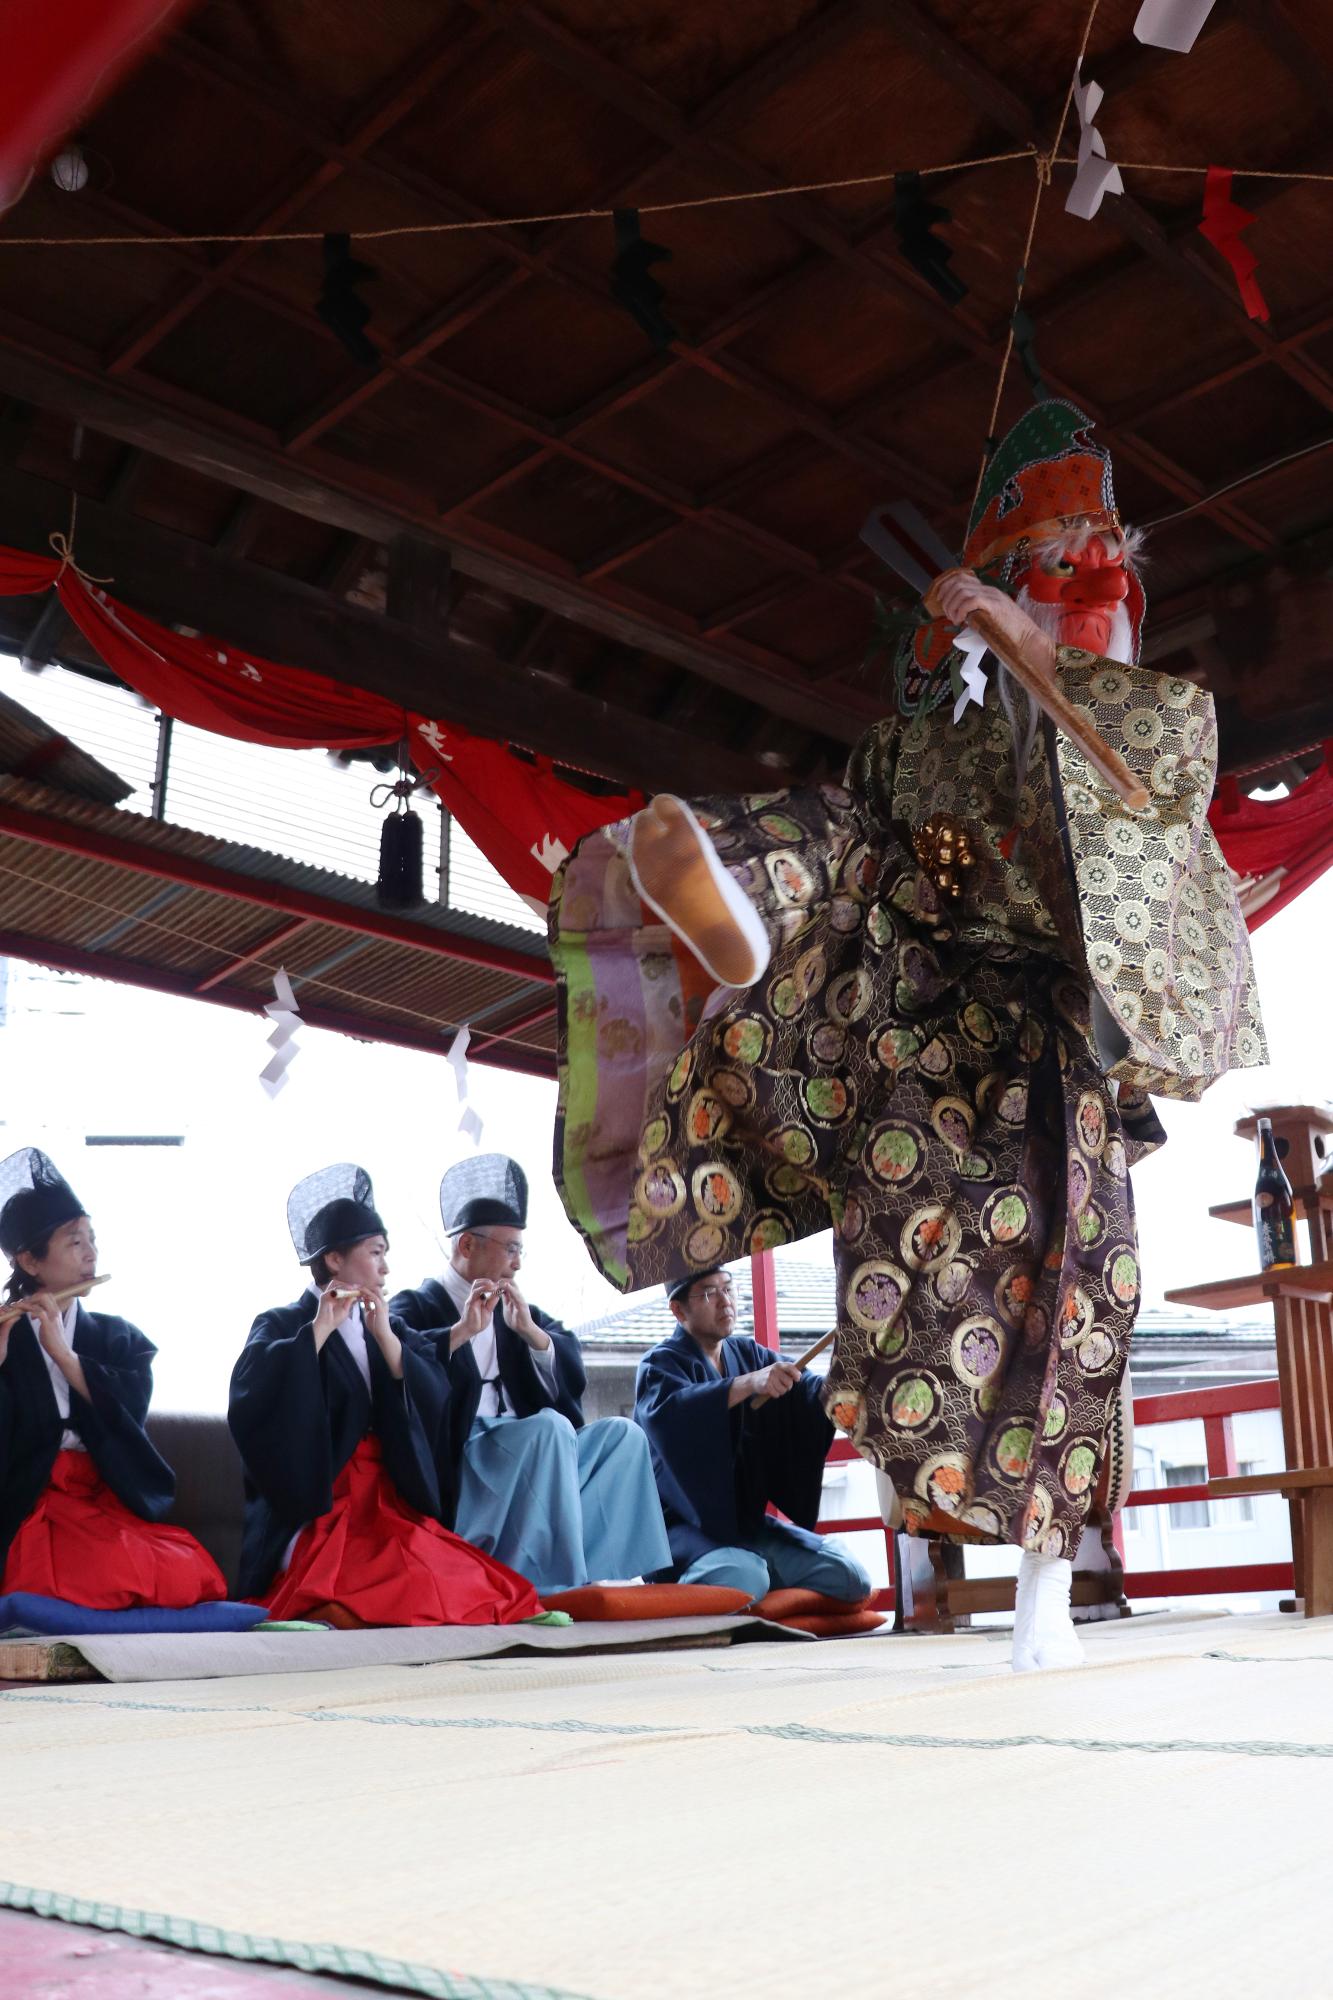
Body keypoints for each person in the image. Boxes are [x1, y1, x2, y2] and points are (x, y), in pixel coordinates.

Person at [547, 401, 1267, 1671]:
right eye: (1049, 563)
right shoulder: (921, 741)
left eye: (1088, 560)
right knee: (910, 1281)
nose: (1076, 584)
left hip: (1050, 1047)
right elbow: (891, 843)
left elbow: (1135, 828)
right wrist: (984, 646)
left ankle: (1044, 1589)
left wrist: (1029, 662)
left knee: (1057, 1313)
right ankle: (744, 900)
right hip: (923, 1016)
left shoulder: (1149, 720)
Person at [229, 1163, 540, 1626]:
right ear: (334, 1259)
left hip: (387, 1496)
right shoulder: (281, 1324)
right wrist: (316, 1332)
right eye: (375, 1252)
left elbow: (425, 1362)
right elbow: (254, 1394)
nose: (386, 1266)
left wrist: (451, 1332)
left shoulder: (383, 1323)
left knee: (463, 1577)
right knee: (399, 1581)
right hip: (326, 1503)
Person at [390, 1154, 671, 1594]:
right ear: (467, 1246)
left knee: (623, 1435)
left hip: (534, 1449)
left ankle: (611, 1570)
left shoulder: (518, 1310)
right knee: (550, 1430)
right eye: (511, 1248)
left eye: (521, 1249)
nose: (518, 1263)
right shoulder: (416, 1307)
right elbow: (401, 1370)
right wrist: (461, 1333)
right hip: (465, 1455)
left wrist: (531, 1334)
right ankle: (551, 1582)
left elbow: (566, 1361)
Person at [0, 1147, 226, 1609]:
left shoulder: (117, 1338)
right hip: (31, 1502)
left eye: (92, 1239)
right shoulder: (6, 1332)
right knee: (80, 1578)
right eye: (74, 1242)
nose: (91, 1253)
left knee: (183, 1570)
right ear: (30, 1261)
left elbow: (129, 1412)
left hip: (103, 1498)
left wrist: (65, 1357)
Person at [635, 1265, 870, 1606]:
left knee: (850, 1574)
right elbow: (674, 1414)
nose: (725, 1301)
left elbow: (806, 1391)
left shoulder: (747, 1354)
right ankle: (719, 1582)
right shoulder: (659, 1366)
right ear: (678, 1309)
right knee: (744, 1576)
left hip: (745, 1529)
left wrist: (843, 1385)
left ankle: (752, 1580)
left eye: (728, 1288)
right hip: (682, 1532)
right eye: (708, 1293)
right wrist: (749, 1384)